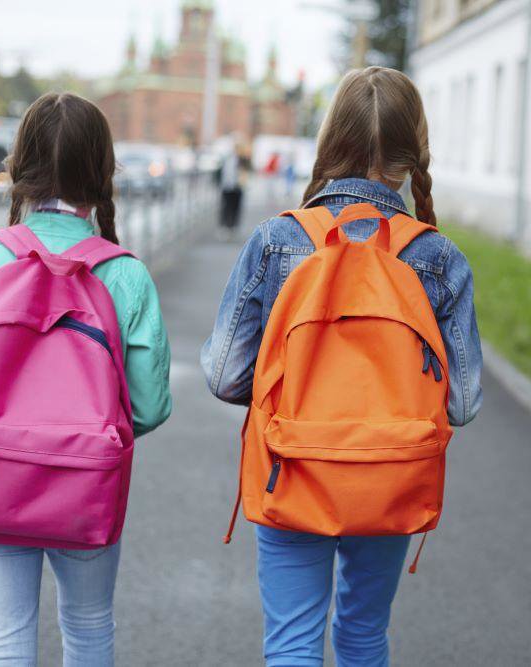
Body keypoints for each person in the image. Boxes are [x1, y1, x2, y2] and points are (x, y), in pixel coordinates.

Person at [201, 66, 483, 666]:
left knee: (293, 643)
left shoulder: (277, 241)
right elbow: (462, 402)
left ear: (330, 139)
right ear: (414, 152)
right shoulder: (437, 257)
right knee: (361, 635)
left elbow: (225, 374)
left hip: (291, 465)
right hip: (389, 473)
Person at [0, 92, 172, 666]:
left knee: (1, 639)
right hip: (84, 484)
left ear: (19, 166)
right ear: (103, 171)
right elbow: (151, 406)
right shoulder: (124, 274)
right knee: (87, 628)